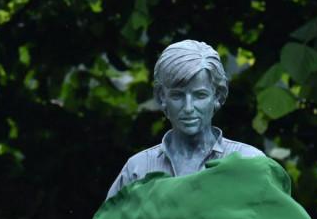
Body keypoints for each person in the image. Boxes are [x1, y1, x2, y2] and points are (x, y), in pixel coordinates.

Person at [106, 39, 264, 198]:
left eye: (200, 95)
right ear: (162, 97)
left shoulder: (250, 162)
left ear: (217, 96)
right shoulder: (138, 169)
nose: (188, 108)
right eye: (177, 95)